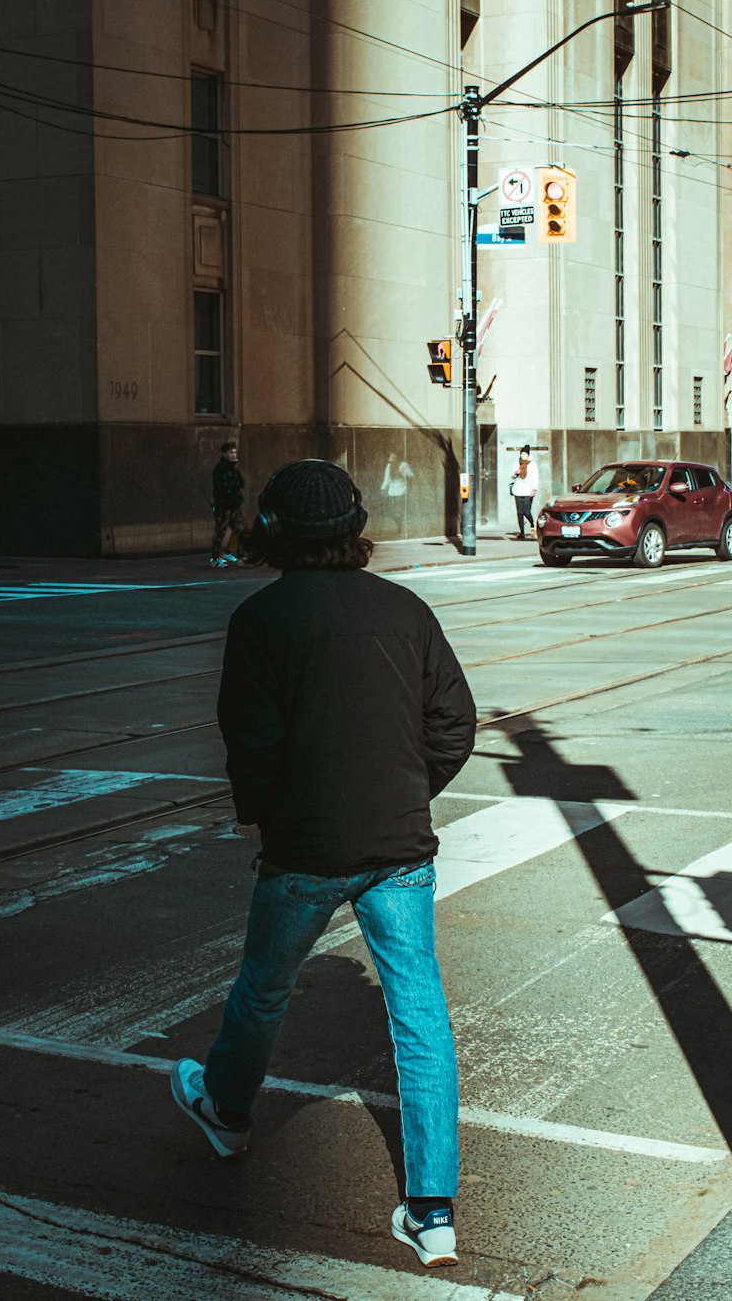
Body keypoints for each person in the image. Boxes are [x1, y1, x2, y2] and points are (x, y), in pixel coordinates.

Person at [171, 458, 476, 1269]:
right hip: (400, 848)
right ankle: (433, 1212)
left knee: (263, 989)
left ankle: (227, 1113)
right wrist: (406, 791)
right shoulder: (406, 611)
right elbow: (454, 724)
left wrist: (265, 815)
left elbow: (253, 742)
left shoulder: (261, 619)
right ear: (353, 527)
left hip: (304, 849)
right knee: (420, 1017)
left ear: (277, 531)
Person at [210, 441, 246, 567]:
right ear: (224, 454)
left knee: (239, 529)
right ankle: (214, 558)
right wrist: (231, 499)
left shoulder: (233, 468)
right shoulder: (220, 469)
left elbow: (241, 484)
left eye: (234, 452)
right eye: (230, 452)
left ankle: (234, 553)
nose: (233, 455)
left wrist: (237, 470)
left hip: (234, 505)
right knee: (220, 531)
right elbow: (224, 488)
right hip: (224, 506)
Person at [380, 451, 414, 537]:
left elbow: (411, 475)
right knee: (390, 511)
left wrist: (402, 473)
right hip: (391, 492)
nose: (392, 460)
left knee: (400, 510)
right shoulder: (389, 466)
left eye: (394, 457)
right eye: (391, 458)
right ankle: (399, 522)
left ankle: (400, 526)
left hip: (401, 491)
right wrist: (383, 489)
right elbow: (387, 479)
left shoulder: (403, 465)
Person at [510, 449, 540, 539]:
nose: (523, 456)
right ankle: (522, 532)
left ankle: (532, 524)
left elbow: (536, 477)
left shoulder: (533, 464)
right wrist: (515, 473)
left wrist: (534, 489)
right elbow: (511, 475)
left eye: (524, 454)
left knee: (526, 511)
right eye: (521, 454)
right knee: (519, 512)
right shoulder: (517, 463)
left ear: (528, 455)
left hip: (528, 490)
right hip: (518, 490)